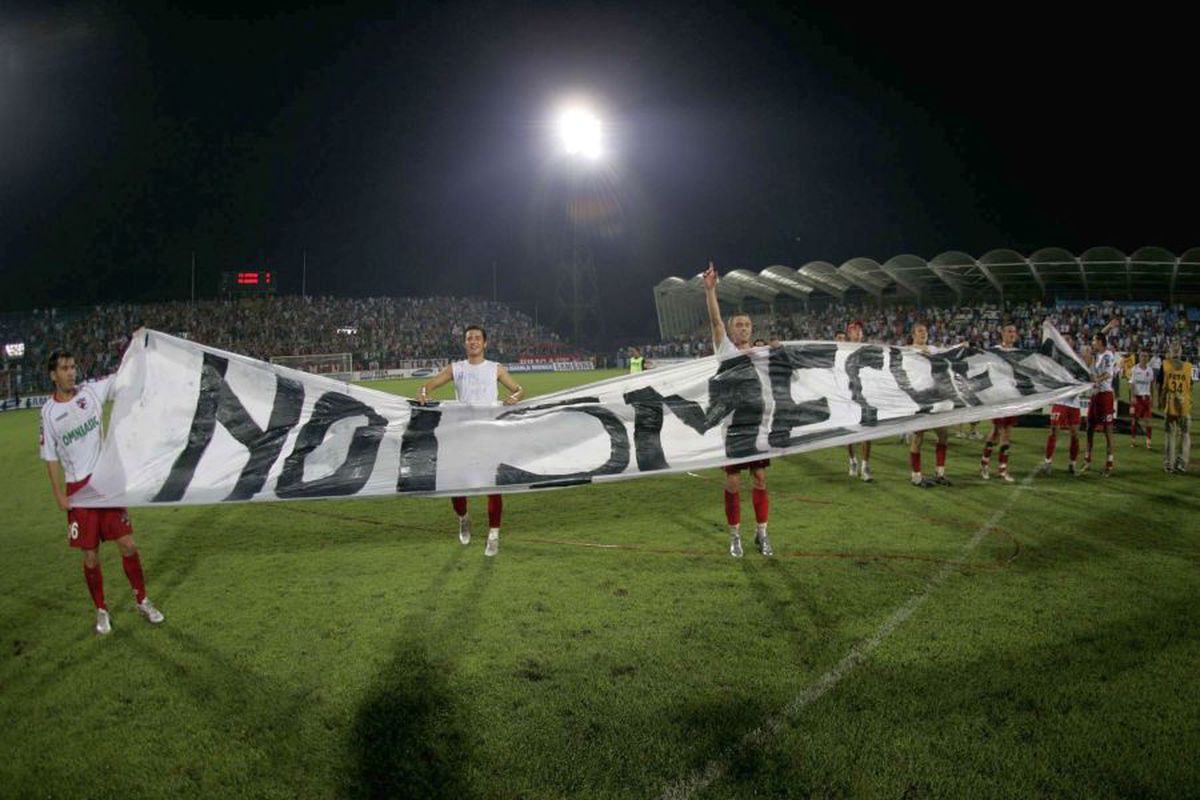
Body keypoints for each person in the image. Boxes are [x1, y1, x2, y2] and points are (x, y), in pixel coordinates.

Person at [40, 349, 165, 635]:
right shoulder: (48, 413)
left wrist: (137, 346)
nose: (71, 372)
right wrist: (59, 495)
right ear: (53, 375)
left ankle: (142, 600)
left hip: (106, 485)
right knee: (90, 557)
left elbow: (121, 378)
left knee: (129, 545)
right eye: (64, 368)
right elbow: (50, 457)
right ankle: (101, 610)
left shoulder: (92, 392)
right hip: (78, 491)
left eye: (73, 366)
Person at [418, 325, 523, 557]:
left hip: (489, 434)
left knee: (492, 486)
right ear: (465, 344)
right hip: (462, 435)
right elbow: (430, 385)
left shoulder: (495, 368)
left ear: (485, 343)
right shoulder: (457, 368)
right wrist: (424, 391)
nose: (473, 341)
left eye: (477, 338)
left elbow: (518, 390)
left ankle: (494, 534)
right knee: (456, 485)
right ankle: (463, 518)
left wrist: (515, 396)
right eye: (469, 338)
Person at [703, 262, 773, 558]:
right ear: (732, 330)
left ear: (752, 329)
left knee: (759, 479)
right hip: (733, 427)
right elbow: (715, 320)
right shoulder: (725, 349)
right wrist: (710, 291)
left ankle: (762, 534)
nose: (742, 328)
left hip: (756, 426)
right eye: (738, 325)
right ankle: (735, 537)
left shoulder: (763, 353)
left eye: (746, 325)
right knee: (732, 482)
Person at [907, 322, 951, 487]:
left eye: (925, 330)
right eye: (919, 331)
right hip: (919, 399)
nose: (923, 333)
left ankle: (940, 473)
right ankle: (916, 476)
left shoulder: (933, 349)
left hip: (936, 398)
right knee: (918, 437)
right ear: (913, 334)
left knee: (944, 434)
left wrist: (963, 346)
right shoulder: (908, 350)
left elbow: (950, 352)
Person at [980, 321, 1021, 483]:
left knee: (997, 432)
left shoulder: (1018, 353)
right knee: (1004, 432)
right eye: (1009, 331)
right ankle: (1002, 470)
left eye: (1014, 331)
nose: (1012, 334)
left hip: (1013, 396)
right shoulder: (994, 352)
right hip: (999, 398)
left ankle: (984, 464)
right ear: (1002, 334)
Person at [1040, 332, 1084, 475]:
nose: (1065, 342)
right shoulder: (1055, 359)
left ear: (1072, 343)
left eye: (1068, 340)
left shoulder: (1078, 360)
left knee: (1075, 435)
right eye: (1063, 340)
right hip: (1060, 400)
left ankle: (1072, 464)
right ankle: (1047, 462)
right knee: (1053, 431)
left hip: (1074, 403)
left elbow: (1084, 377)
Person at [1083, 329, 1119, 476]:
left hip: (1105, 396)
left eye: (1094, 341)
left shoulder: (1108, 355)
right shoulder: (1096, 357)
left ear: (1099, 342)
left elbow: (1108, 373)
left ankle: (1109, 464)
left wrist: (1097, 380)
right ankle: (1087, 461)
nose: (1092, 343)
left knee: (1108, 430)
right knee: (1089, 428)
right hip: (1095, 396)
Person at [1158, 340, 1193, 473]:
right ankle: (1182, 463)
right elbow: (1190, 387)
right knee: (1185, 434)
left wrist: (1160, 401)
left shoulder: (1166, 365)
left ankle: (1169, 463)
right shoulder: (1188, 367)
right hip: (1184, 405)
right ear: (1181, 352)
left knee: (1170, 435)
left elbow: (1161, 386)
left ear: (1171, 352)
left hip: (1171, 404)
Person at [845, 320, 873, 482]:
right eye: (855, 330)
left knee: (867, 432)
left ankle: (865, 466)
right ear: (850, 333)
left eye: (860, 330)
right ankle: (852, 460)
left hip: (866, 395)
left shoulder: (867, 350)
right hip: (848, 396)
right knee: (850, 432)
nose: (858, 332)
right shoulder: (842, 350)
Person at [1129, 350, 1155, 449]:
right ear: (1139, 357)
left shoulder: (1150, 370)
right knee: (1134, 420)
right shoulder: (1134, 369)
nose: (1144, 358)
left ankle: (1148, 441)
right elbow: (1131, 384)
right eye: (1142, 356)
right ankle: (1133, 440)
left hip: (1146, 398)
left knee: (1148, 421)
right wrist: (1132, 396)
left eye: (1146, 356)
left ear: (1148, 358)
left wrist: (1152, 396)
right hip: (1137, 398)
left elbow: (1151, 384)